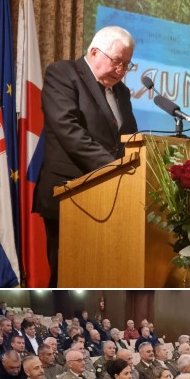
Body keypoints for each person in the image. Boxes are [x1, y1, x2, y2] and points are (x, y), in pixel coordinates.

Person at [37, 26, 139, 287]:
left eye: (127, 64)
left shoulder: (122, 92)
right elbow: (68, 130)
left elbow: (129, 137)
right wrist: (116, 168)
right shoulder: (64, 74)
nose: (121, 71)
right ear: (94, 52)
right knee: (68, 276)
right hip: (70, 193)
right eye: (117, 61)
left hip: (112, 198)